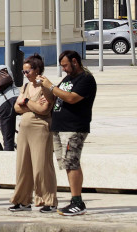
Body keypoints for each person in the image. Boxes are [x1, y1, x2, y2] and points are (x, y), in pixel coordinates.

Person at [38, 49, 96, 216]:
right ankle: (74, 200)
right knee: (66, 164)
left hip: (74, 128)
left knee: (72, 163)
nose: (63, 68)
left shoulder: (86, 79)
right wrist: (44, 88)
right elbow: (55, 98)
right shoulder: (68, 79)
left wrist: (51, 86)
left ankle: (77, 201)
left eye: (65, 65)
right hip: (59, 127)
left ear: (74, 62)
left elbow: (71, 98)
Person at [9, 54, 56, 213]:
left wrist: (27, 102)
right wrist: (32, 105)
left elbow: (44, 109)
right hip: (25, 128)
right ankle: (22, 200)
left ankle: (48, 200)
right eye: (23, 72)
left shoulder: (46, 86)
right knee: (23, 165)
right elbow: (16, 108)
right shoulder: (25, 86)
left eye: (27, 71)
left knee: (41, 166)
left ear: (37, 70)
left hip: (40, 128)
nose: (25, 74)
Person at [0, 52, 18, 151]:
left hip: (3, 104)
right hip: (17, 98)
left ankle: (9, 159)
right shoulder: (4, 67)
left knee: (8, 139)